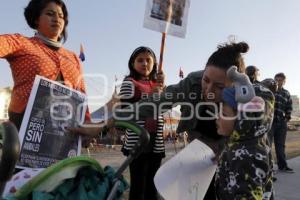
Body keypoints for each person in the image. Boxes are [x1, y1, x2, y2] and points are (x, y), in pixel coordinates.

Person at [70, 41, 251, 199]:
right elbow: (152, 105)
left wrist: (227, 148)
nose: (208, 90)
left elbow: (252, 135)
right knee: (196, 191)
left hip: (230, 150)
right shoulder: (192, 83)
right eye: (206, 80)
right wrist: (105, 124)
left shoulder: (248, 99)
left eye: (219, 86)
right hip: (199, 146)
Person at [0, 0, 89, 130]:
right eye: (50, 14)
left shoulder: (73, 57)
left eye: (61, 16)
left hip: (64, 130)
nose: (57, 19)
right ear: (36, 19)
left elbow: (82, 95)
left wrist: (86, 123)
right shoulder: (21, 43)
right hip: (25, 126)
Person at [119, 46, 165, 200]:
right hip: (137, 141)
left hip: (156, 141)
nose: (144, 63)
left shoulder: (156, 85)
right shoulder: (129, 82)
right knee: (138, 185)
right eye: (140, 60)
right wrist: (149, 97)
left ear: (154, 64)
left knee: (153, 184)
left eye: (148, 60)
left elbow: (163, 108)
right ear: (132, 63)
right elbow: (125, 110)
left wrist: (162, 89)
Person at [215, 86, 274, 199]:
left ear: (243, 120)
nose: (217, 117)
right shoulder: (252, 143)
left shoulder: (245, 158)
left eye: (224, 114)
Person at [272, 73, 293, 173]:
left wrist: (286, 118)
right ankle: (269, 168)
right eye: (276, 80)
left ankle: (282, 166)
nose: (278, 82)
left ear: (284, 81)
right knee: (266, 145)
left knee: (280, 145)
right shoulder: (269, 91)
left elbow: (289, 107)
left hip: (281, 123)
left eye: (280, 80)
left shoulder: (287, 93)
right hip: (270, 123)